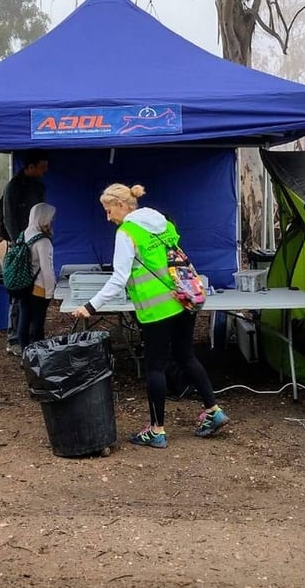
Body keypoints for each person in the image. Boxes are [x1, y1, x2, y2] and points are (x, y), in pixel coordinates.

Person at [72, 183, 229, 448]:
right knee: (187, 356)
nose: (107, 217)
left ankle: (156, 430)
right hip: (184, 300)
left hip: (156, 309)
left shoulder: (127, 232)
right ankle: (214, 410)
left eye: (108, 210)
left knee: (155, 367)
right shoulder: (164, 225)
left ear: (122, 206)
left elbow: (119, 278)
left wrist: (90, 306)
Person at [1, 150, 49, 350]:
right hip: (20, 246)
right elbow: (9, 217)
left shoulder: (38, 185)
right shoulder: (13, 187)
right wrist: (18, 243)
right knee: (19, 292)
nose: (45, 171)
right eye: (41, 167)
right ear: (30, 167)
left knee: (33, 294)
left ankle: (33, 334)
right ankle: (15, 338)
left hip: (36, 241)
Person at [13, 203, 56, 356]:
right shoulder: (43, 241)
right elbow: (47, 270)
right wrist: (51, 293)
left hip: (24, 285)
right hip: (39, 288)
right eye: (50, 218)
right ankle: (39, 357)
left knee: (24, 320)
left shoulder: (24, 234)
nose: (51, 222)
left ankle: (25, 353)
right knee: (38, 324)